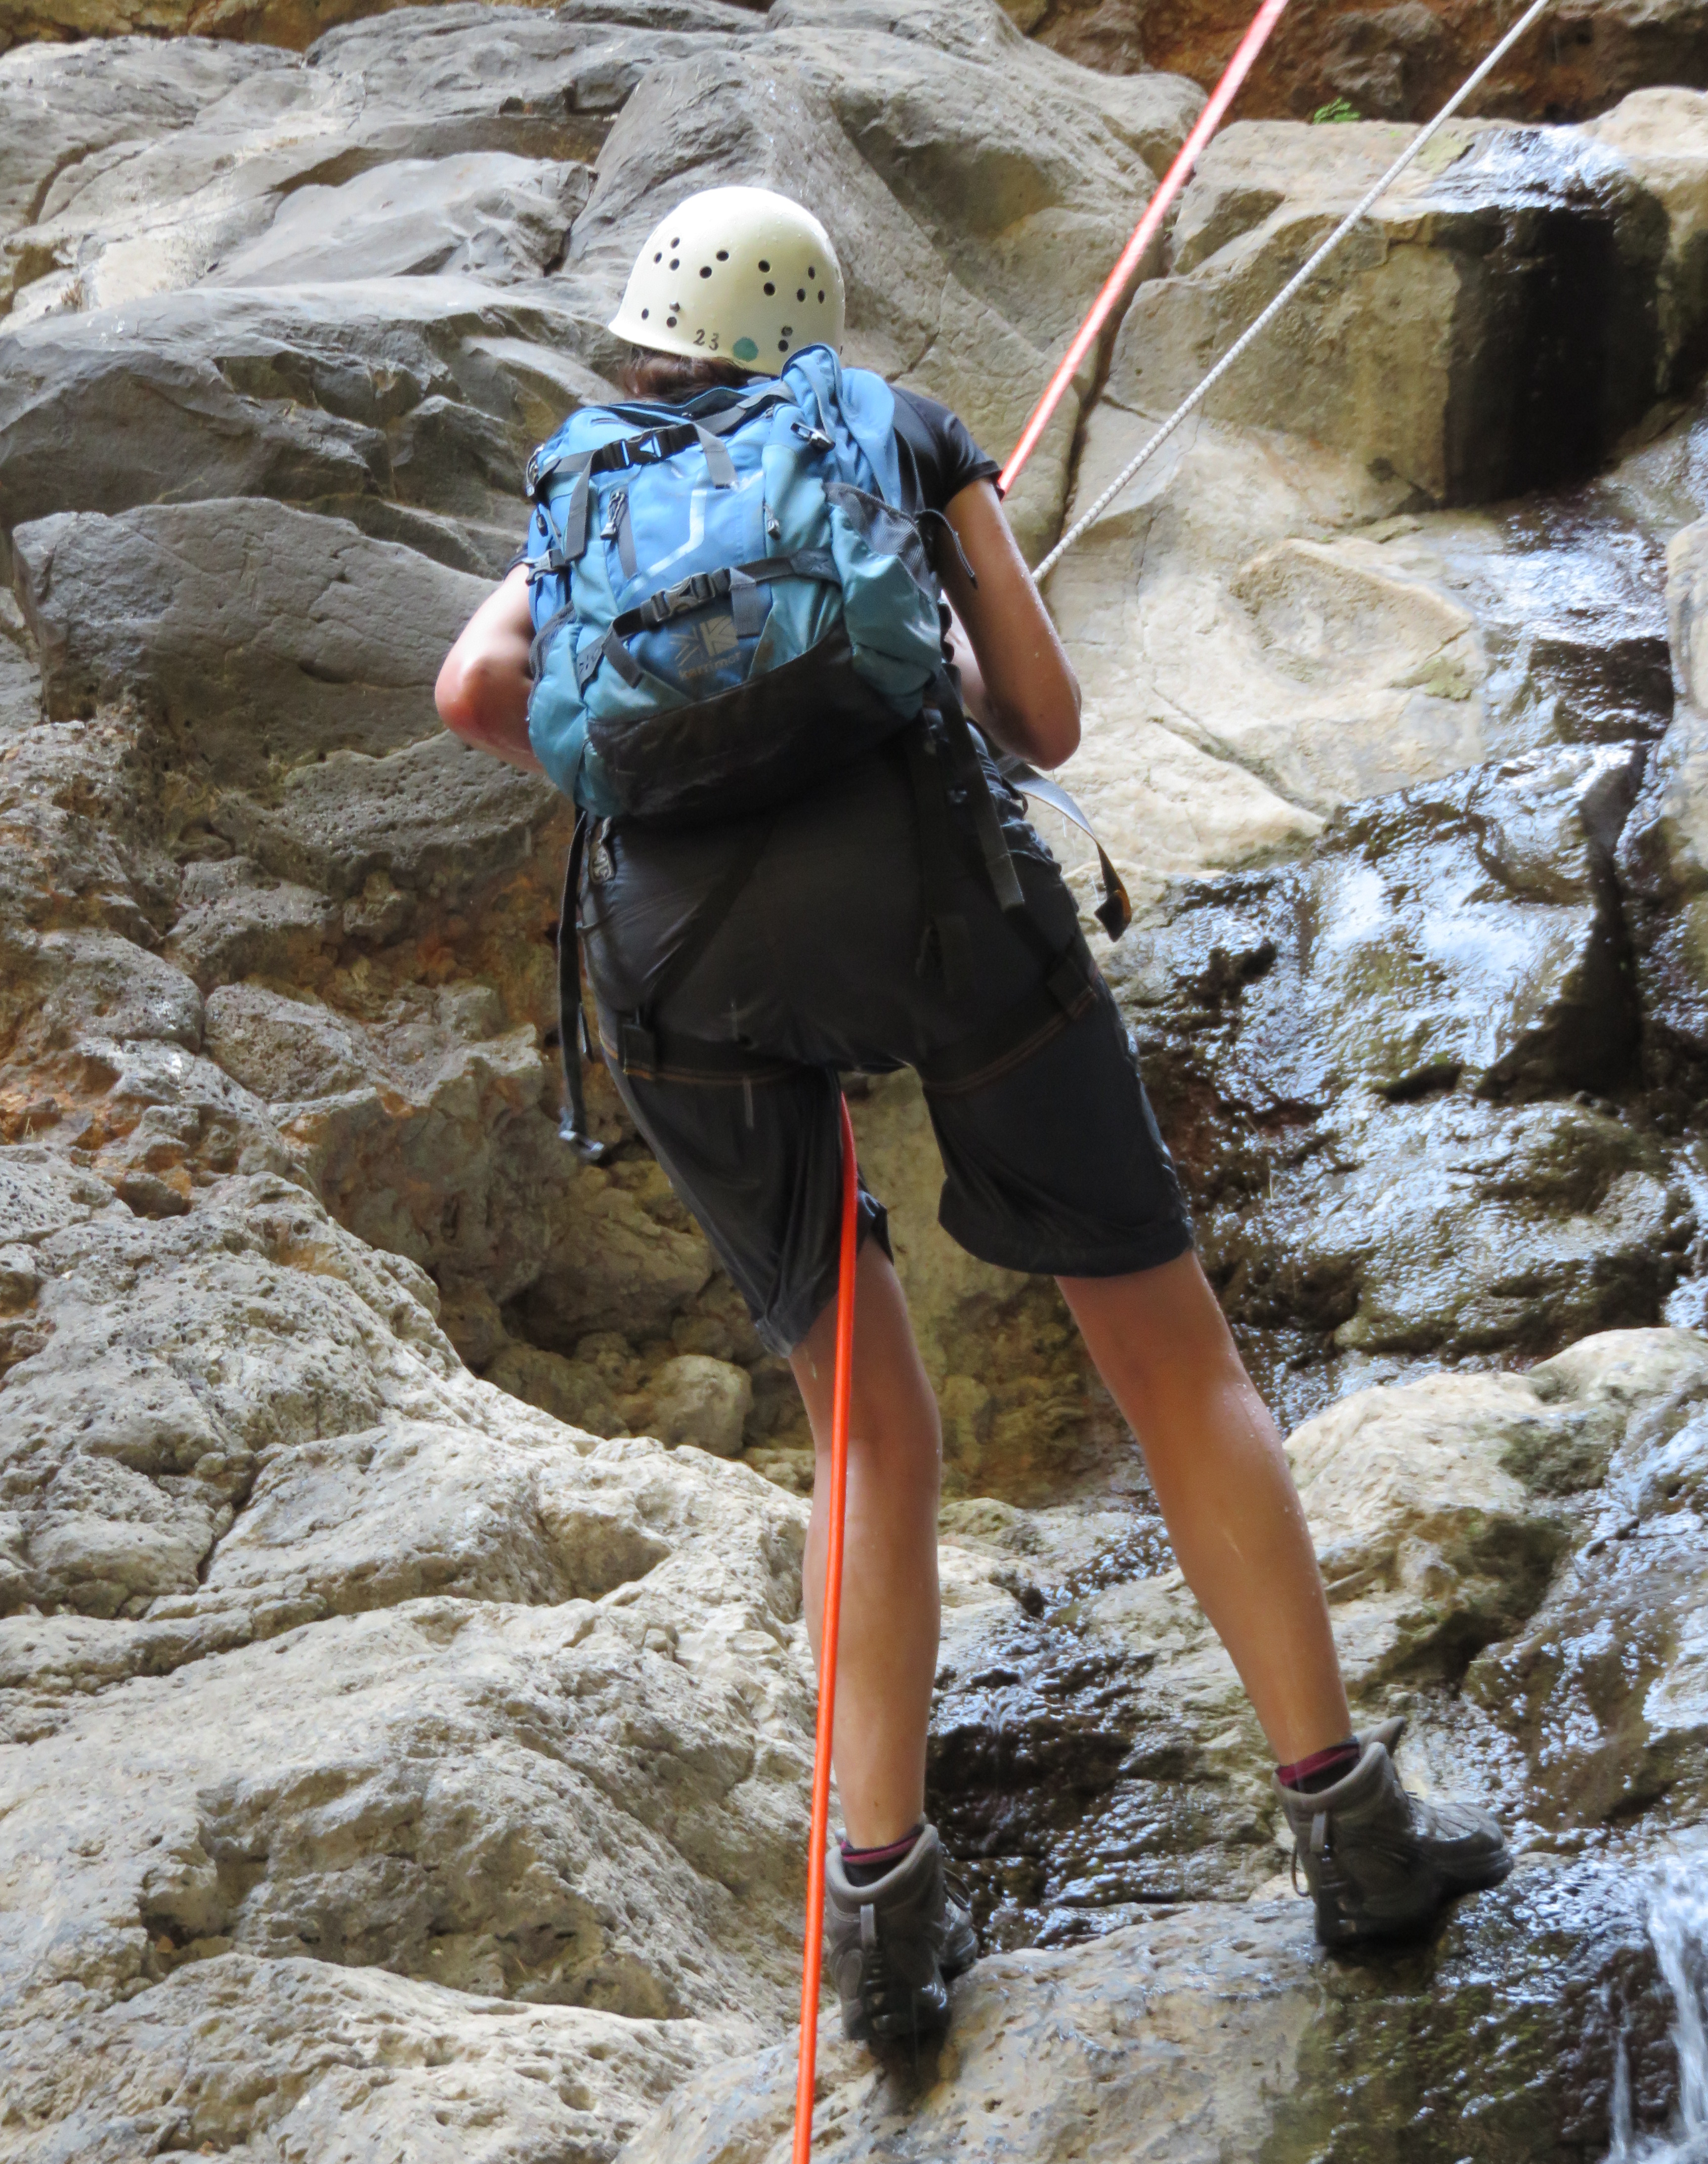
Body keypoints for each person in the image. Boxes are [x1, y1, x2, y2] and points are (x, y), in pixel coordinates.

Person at [436, 186, 1511, 2044]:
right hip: (939, 909)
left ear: (651, 332)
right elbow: (1049, 719)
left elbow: (472, 688)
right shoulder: (893, 429)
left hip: (677, 969)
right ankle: (1353, 1839)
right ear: (813, 326)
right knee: (1170, 1361)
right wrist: (907, 669)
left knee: (863, 1424)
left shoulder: (587, 473)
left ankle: (884, 1927)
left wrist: (677, 768)